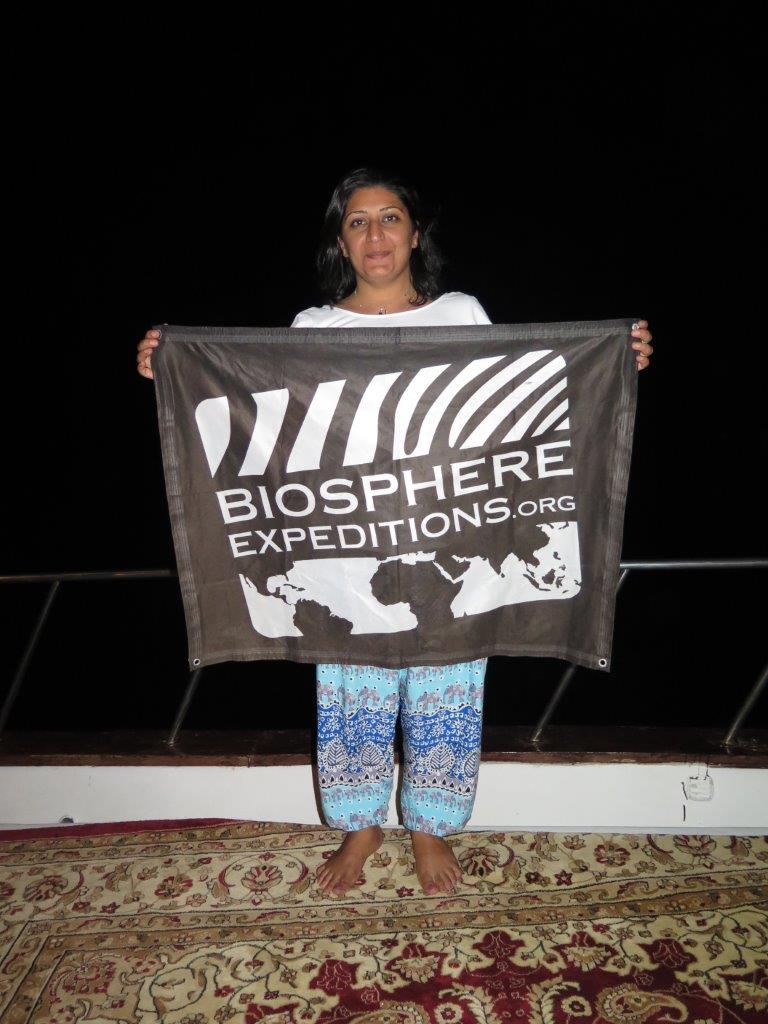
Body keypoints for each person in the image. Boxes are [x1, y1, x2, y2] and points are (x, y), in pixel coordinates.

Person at [136, 167, 654, 897]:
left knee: (449, 684)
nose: (374, 234)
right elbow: (263, 427)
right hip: (349, 555)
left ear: (415, 235)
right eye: (357, 222)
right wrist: (171, 368)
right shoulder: (312, 330)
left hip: (448, 541)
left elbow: (520, 401)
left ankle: (430, 826)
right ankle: (361, 824)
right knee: (351, 691)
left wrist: (611, 361)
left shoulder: (462, 313)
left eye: (389, 218)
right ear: (340, 243)